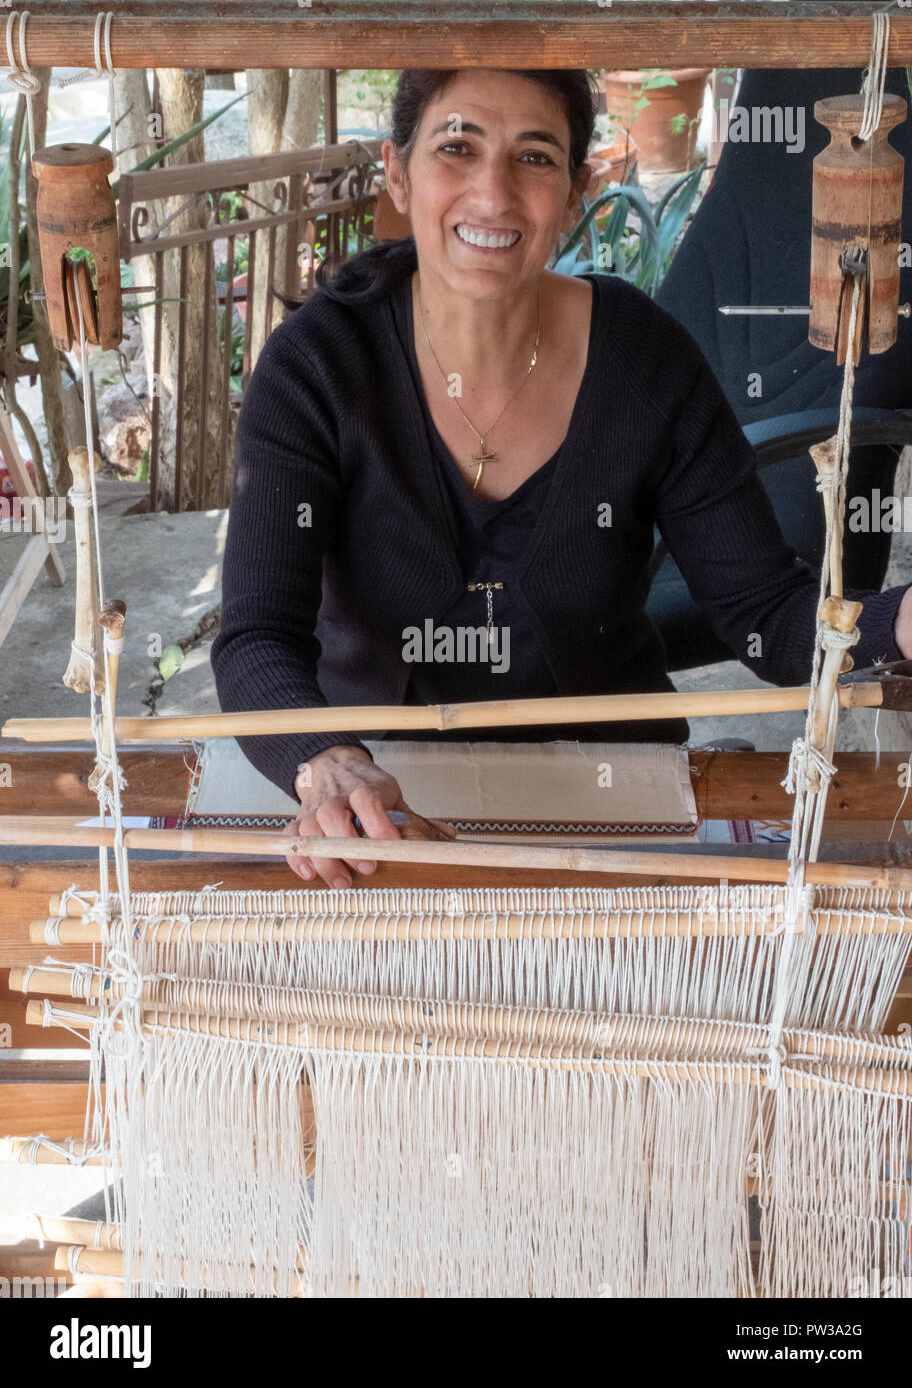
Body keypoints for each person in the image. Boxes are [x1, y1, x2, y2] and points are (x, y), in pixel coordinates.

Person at [210, 66, 912, 890]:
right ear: (398, 172)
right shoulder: (318, 367)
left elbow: (768, 617)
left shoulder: (645, 362)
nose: (493, 193)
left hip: (604, 792)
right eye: (457, 147)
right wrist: (323, 765)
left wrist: (902, 623)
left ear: (577, 190)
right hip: (374, 814)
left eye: (535, 158)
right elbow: (258, 632)